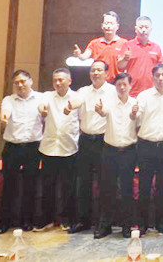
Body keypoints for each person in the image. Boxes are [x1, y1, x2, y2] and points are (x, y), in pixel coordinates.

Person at [70, 60, 116, 234]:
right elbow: (75, 107)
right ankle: (83, 220)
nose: (96, 73)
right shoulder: (83, 91)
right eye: (93, 70)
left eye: (99, 70)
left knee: (105, 183)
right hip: (85, 140)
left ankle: (105, 224)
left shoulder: (113, 92)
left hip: (104, 141)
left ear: (106, 73)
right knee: (83, 182)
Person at [0, 70, 43, 234]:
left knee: (30, 185)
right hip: (12, 147)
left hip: (33, 147)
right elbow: (5, 112)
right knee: (9, 185)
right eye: (17, 82)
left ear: (31, 81)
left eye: (23, 81)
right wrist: (4, 118)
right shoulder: (8, 100)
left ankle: (27, 220)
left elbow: (46, 115)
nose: (20, 85)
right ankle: (4, 222)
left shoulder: (41, 98)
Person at [135, 63, 163, 235]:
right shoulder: (144, 96)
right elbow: (136, 120)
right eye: (157, 75)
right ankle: (142, 223)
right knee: (144, 186)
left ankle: (161, 223)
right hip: (146, 145)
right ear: (152, 78)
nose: (161, 78)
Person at [94, 73, 138, 239]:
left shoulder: (136, 104)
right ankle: (105, 226)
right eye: (119, 84)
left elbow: (138, 121)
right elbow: (103, 112)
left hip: (129, 151)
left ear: (130, 85)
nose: (122, 87)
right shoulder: (109, 102)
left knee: (127, 189)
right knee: (107, 189)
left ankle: (127, 226)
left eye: (125, 84)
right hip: (110, 151)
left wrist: (134, 115)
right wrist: (99, 111)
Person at [36, 68, 81, 231]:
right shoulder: (47, 96)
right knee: (47, 186)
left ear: (69, 81)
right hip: (49, 148)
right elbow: (41, 106)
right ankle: (46, 219)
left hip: (69, 148)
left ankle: (66, 220)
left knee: (68, 187)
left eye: (61, 79)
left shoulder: (77, 97)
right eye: (55, 80)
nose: (58, 83)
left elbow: (81, 117)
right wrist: (42, 109)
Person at [73, 11, 127, 82]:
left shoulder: (124, 43)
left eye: (111, 23)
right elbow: (84, 57)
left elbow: (124, 64)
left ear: (117, 26)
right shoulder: (94, 43)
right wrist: (79, 55)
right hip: (99, 81)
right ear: (102, 26)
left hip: (117, 82)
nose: (108, 26)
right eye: (106, 23)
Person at [118, 16, 163, 97]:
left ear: (151, 29)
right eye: (141, 27)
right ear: (136, 29)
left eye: (146, 27)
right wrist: (125, 59)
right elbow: (120, 66)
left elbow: (160, 69)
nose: (144, 30)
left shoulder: (156, 47)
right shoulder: (128, 45)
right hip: (132, 91)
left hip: (152, 92)